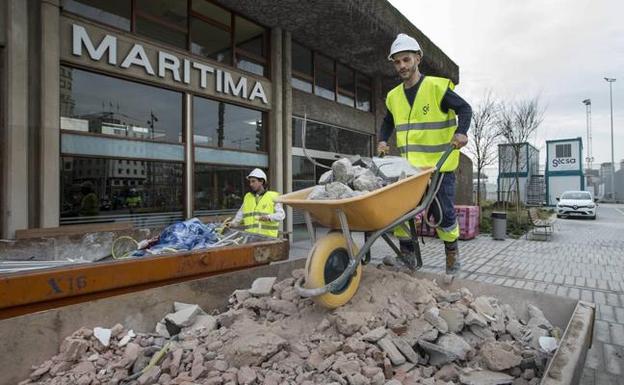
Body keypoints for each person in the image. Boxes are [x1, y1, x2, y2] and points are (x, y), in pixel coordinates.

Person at [377, 33, 472, 275]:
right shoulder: (394, 96)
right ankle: (408, 256)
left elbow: (465, 108)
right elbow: (388, 122)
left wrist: (462, 132)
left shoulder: (436, 87)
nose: (402, 66)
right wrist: (381, 140)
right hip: (410, 169)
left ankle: (452, 257)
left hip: (439, 166)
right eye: (397, 62)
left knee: (443, 214)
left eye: (406, 60)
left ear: (418, 59)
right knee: (401, 211)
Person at [231, 168, 285, 238]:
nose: (251, 184)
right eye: (250, 182)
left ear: (261, 181)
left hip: (268, 239)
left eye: (253, 181)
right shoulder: (248, 197)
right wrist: (233, 223)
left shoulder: (272, 196)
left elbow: (281, 215)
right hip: (251, 239)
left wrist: (269, 217)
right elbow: (240, 213)